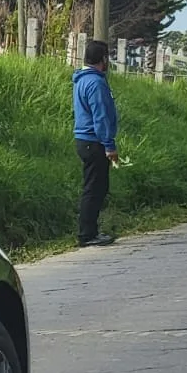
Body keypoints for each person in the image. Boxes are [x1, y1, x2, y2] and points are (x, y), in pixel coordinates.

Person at [73, 40, 119, 247]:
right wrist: (109, 146)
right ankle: (87, 234)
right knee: (94, 188)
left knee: (96, 186)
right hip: (94, 141)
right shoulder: (96, 83)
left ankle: (90, 231)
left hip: (85, 140)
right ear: (103, 59)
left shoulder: (82, 79)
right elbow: (100, 116)